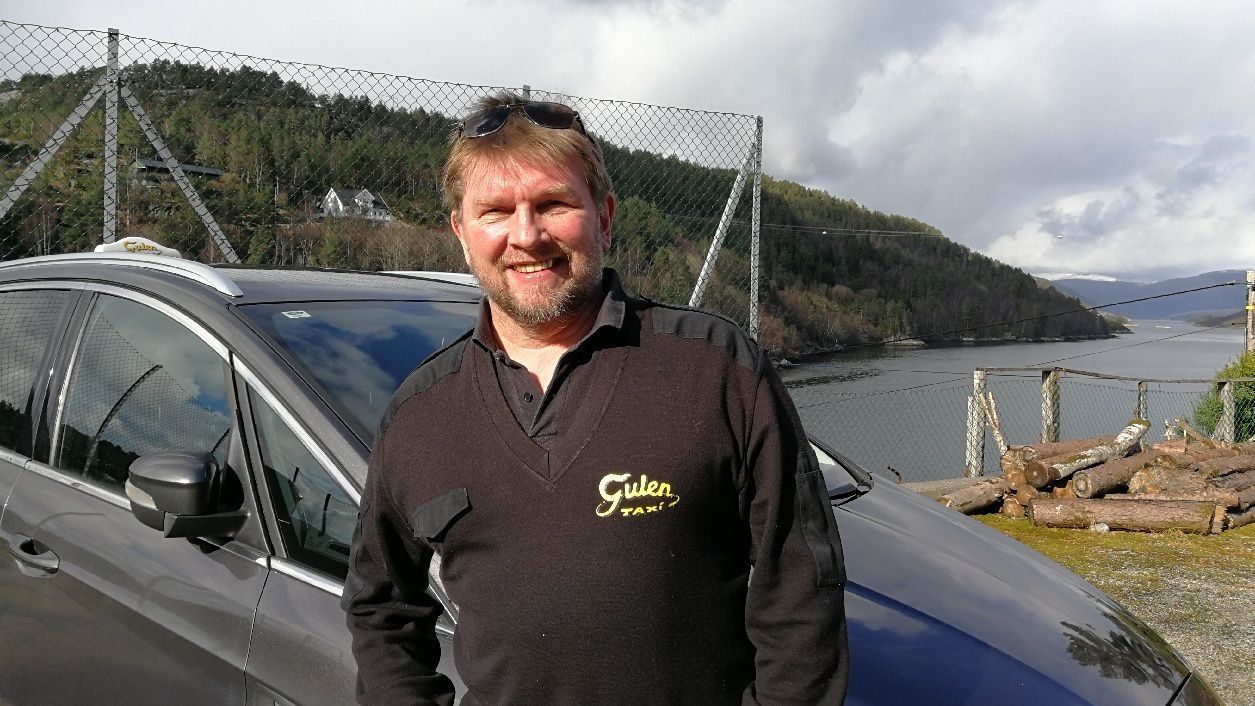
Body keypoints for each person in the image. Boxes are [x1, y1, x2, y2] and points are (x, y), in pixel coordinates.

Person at [342, 92, 848, 705]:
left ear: (603, 217)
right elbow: (381, 608)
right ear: (462, 234)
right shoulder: (421, 414)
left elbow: (801, 591)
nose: (526, 235)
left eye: (552, 204)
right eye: (495, 211)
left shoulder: (717, 370)